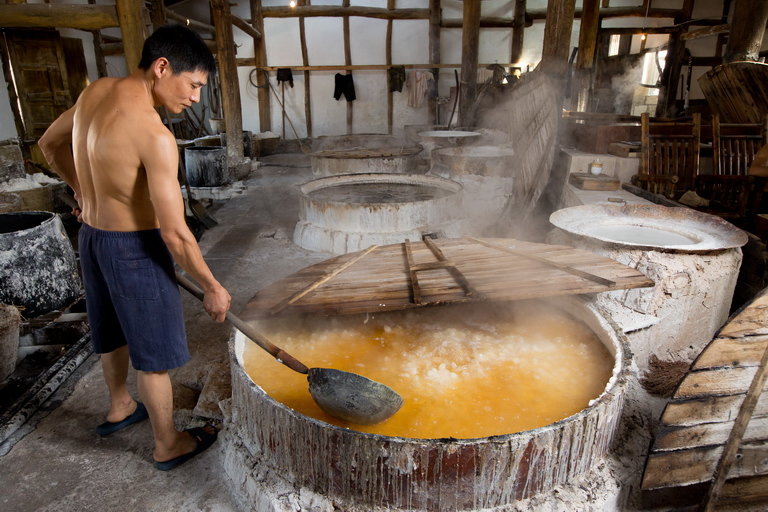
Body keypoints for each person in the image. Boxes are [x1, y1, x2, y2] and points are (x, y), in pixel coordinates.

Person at [38, 24, 231, 471]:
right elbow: (174, 234)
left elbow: (49, 144)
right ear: (162, 67)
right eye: (194, 85)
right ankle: (168, 443)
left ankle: (119, 405)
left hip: (93, 239)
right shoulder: (155, 136)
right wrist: (211, 286)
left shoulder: (96, 92)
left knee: (113, 331)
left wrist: (82, 194)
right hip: (134, 249)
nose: (196, 98)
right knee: (155, 353)